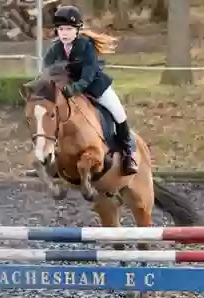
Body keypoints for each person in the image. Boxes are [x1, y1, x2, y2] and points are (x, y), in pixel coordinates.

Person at [42, 5, 138, 176]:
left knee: (119, 113)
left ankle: (128, 154)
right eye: (61, 29)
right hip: (68, 91)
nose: (64, 33)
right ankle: (45, 156)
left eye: (69, 29)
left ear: (77, 30)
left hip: (95, 87)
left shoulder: (86, 46)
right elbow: (46, 70)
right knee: (45, 114)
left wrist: (72, 89)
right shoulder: (55, 49)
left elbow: (87, 76)